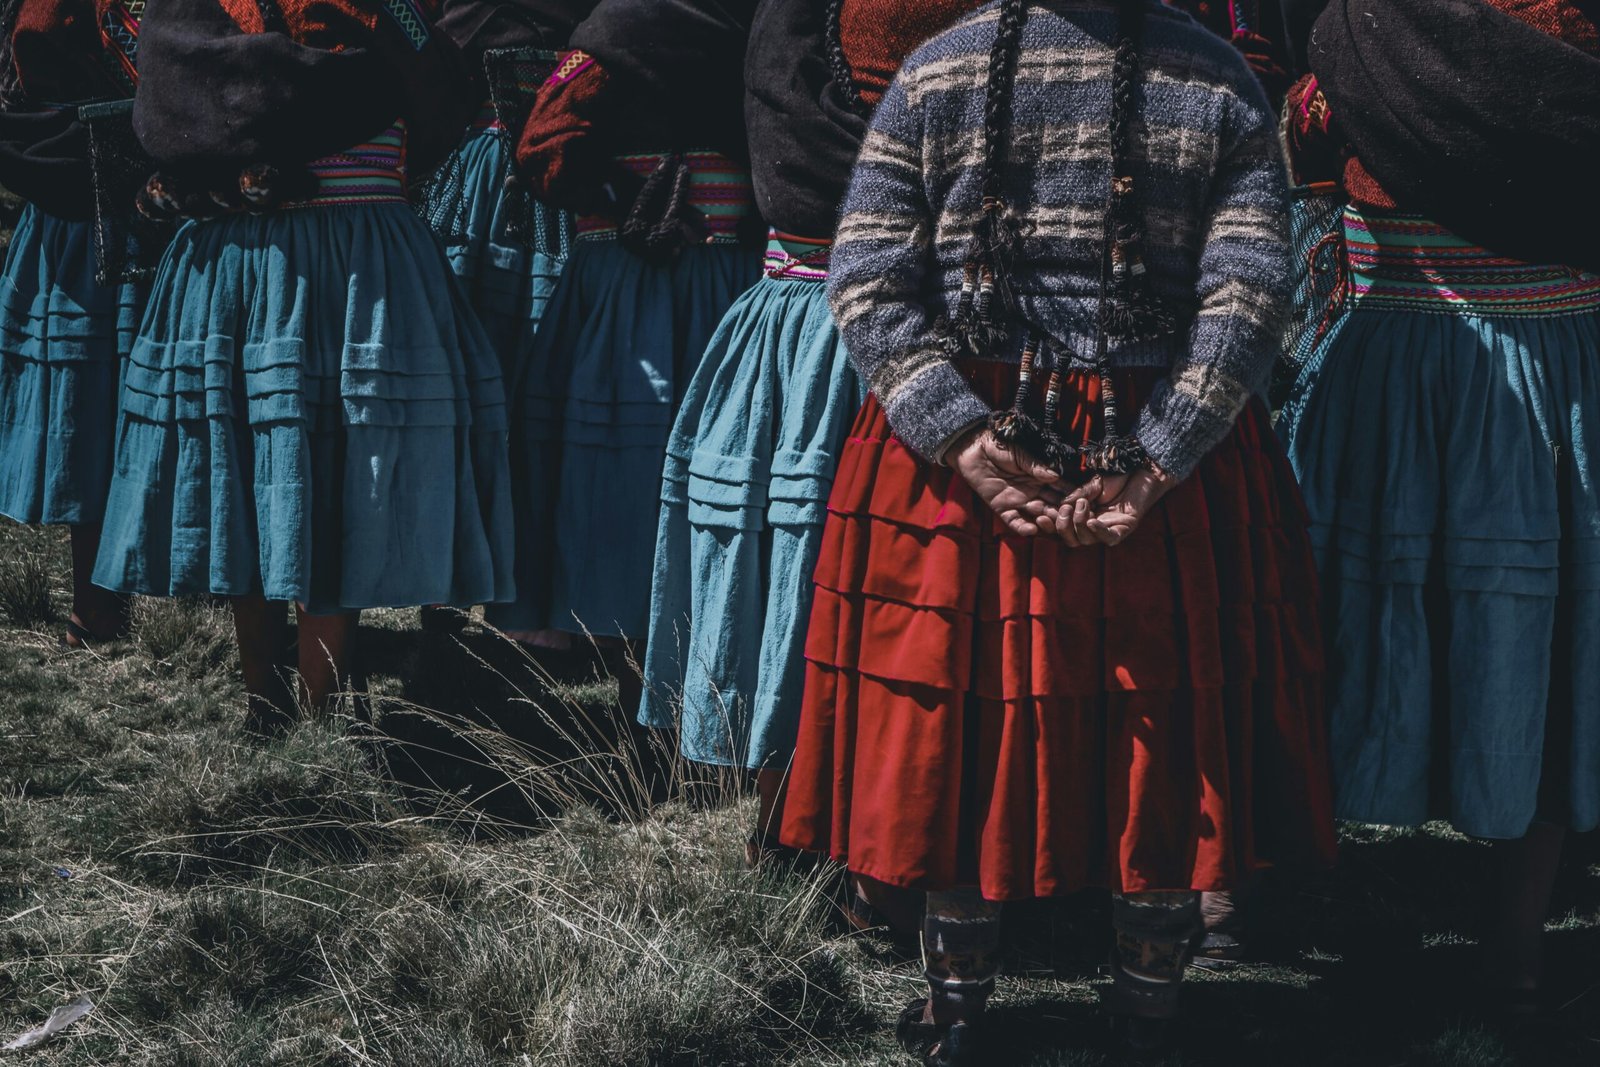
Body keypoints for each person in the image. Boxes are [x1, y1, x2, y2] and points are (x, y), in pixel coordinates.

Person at [779, 0, 1338, 1059]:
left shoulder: (933, 70)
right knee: (1162, 717)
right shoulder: (1216, 76)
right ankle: (1146, 1005)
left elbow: (863, 275)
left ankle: (957, 1007)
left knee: (964, 719)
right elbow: (1251, 290)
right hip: (1153, 450)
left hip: (971, 457)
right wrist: (1163, 450)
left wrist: (959, 434)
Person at [1279, 0, 1600, 1015]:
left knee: (1322, 613)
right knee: (1550, 636)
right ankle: (1515, 938)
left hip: (1395, 357)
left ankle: (1255, 894)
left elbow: (1305, 151)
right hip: (1557, 372)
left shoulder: (1359, 40)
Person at [91, 0, 516, 731]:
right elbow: (439, 86)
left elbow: (153, 87)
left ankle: (268, 703)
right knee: (335, 475)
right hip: (361, 255)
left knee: (254, 482)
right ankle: (313, 709)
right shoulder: (376, 9)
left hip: (236, 262)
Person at [639, 0, 993, 867]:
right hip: (896, 331)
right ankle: (865, 840)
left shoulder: (782, 17)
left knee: (804, 573)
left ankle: (795, 829)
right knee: (868, 580)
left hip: (795, 319)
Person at [490, 0, 762, 698]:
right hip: (642, 285)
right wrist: (619, 192)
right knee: (634, 481)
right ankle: (641, 688)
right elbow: (544, 144)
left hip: (715, 285)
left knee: (690, 476)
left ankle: (682, 690)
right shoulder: (629, 32)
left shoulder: (755, 28)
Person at [0, 0, 149, 648]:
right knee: (92, 413)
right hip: (91, 211)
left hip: (116, 204)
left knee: (118, 409)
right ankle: (96, 608)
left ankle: (116, 601)